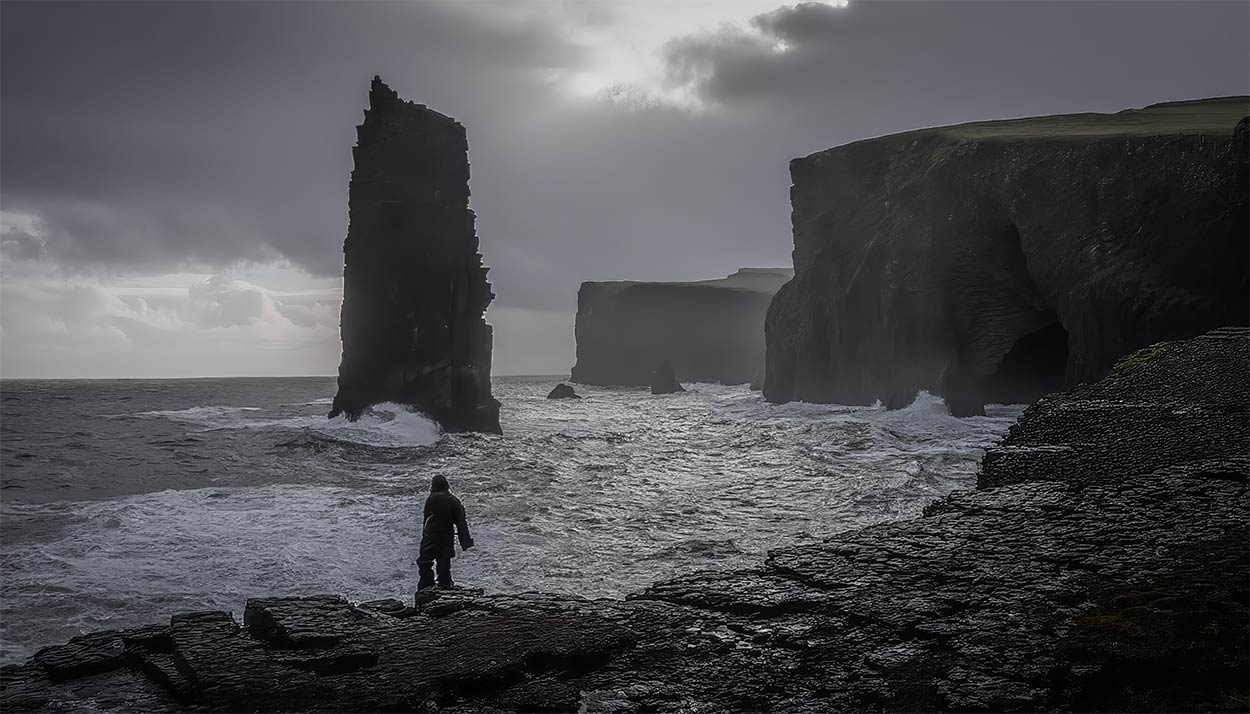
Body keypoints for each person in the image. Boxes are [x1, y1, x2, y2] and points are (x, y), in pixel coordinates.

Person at [417, 474, 474, 590]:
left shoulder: (431, 499)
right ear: (447, 486)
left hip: (430, 537)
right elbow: (461, 524)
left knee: (424, 563)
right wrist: (466, 543)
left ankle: (426, 587)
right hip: (445, 538)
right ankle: (445, 586)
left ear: (434, 486)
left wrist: (425, 536)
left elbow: (426, 520)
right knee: (444, 565)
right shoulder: (454, 501)